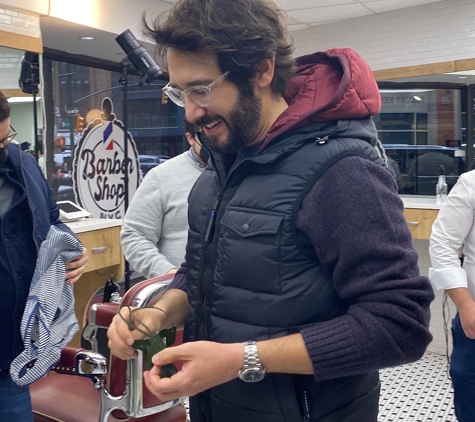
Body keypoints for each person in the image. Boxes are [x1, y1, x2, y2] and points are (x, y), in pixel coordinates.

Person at [108, 1, 434, 421]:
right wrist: (159, 312)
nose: (189, 112)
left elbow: (400, 325)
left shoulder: (342, 172)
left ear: (262, 70)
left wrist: (242, 359)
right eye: (180, 92)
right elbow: (202, 273)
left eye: (202, 89)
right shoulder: (219, 171)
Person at [0, 90, 89, 421]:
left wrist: (70, 250)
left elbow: (51, 220)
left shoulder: (22, 165)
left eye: (4, 139)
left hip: (12, 354)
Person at [121, 119, 207, 279]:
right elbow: (134, 235)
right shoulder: (161, 176)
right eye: (206, 136)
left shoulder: (240, 173)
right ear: (190, 138)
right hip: (176, 294)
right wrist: (168, 276)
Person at [429, 169, 475, 422]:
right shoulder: (471, 183)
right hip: (474, 318)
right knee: (469, 388)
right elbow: (443, 243)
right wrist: (466, 304)